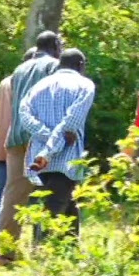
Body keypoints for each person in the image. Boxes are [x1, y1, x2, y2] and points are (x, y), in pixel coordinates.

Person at [0, 31, 62, 265]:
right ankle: (44, 252)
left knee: (13, 195)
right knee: (52, 191)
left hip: (16, 137)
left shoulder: (19, 70)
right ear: (55, 46)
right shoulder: (55, 66)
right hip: (43, 138)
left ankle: (3, 253)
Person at [20, 49, 95, 243]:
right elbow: (72, 121)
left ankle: (70, 253)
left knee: (67, 205)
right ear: (80, 65)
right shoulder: (84, 85)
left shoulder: (39, 86)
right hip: (66, 158)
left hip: (41, 160)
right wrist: (54, 146)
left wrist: (46, 141)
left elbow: (24, 116)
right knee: (53, 210)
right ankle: (40, 254)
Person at [0, 47, 36, 256]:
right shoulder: (25, 82)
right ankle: (9, 245)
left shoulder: (4, 83)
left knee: (1, 194)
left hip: (2, 147)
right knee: (27, 196)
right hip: (22, 146)